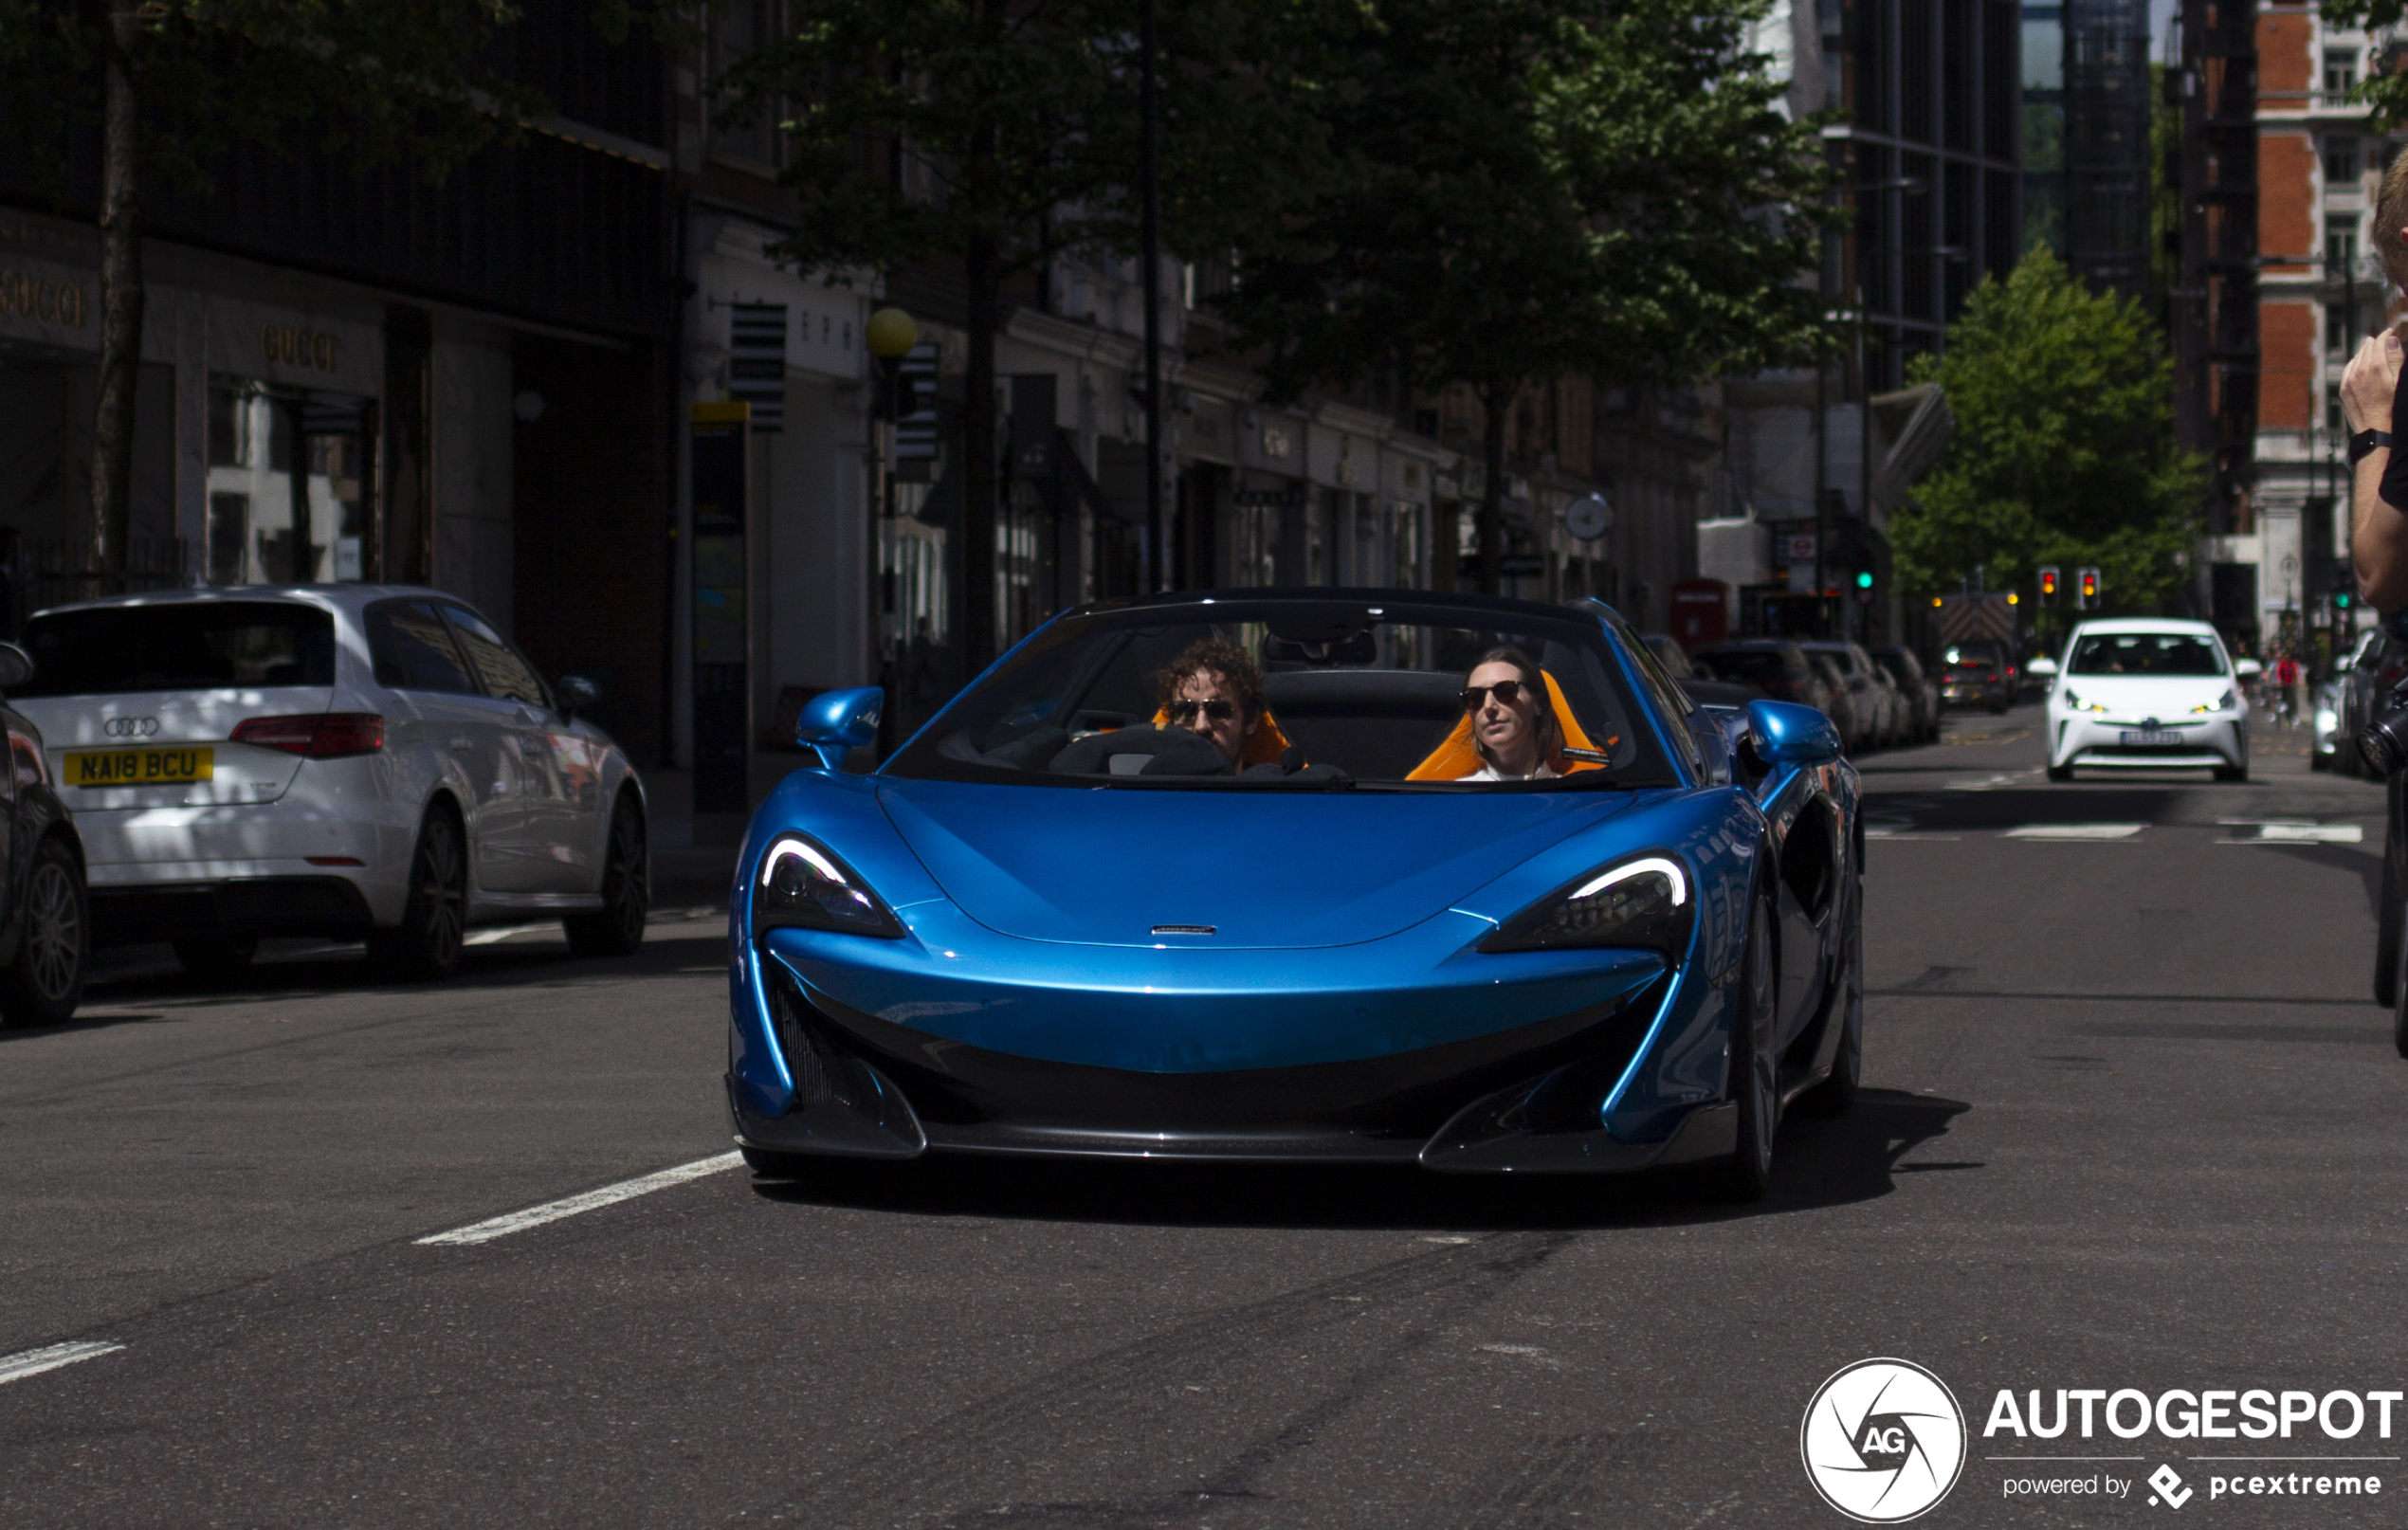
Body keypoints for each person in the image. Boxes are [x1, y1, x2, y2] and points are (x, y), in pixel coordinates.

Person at [1154, 638, 1265, 768]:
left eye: (1217, 710)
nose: (1201, 727)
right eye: (1185, 711)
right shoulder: (1150, 785)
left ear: (1250, 720)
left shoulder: (1275, 787)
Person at [1456, 647, 1562, 781]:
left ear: (1538, 704)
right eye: (1475, 697)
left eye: (1505, 691)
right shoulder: (1458, 798)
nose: (1488, 706)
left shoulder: (1576, 795)